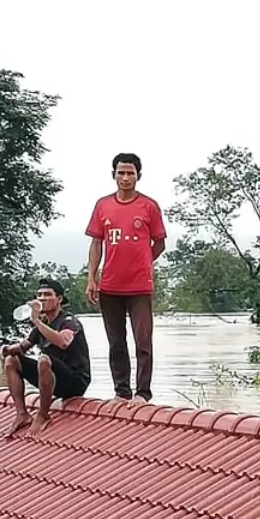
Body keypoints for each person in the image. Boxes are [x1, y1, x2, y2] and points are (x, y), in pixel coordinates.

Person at [84, 153, 166, 404]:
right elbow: (96, 243)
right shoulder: (103, 206)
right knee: (116, 342)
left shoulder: (148, 206)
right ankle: (122, 391)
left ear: (138, 176)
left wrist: (143, 263)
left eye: (130, 173)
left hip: (140, 286)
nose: (126, 177)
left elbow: (160, 243)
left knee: (143, 341)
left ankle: (142, 393)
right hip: (110, 286)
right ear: (114, 175)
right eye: (121, 172)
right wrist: (92, 278)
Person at [0, 278, 92, 436]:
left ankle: (43, 415)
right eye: (39, 295)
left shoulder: (69, 321)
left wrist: (36, 321)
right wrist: (7, 349)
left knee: (43, 359)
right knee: (12, 361)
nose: (42, 298)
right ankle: (22, 414)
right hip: (52, 377)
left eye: (47, 295)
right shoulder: (42, 325)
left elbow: (63, 342)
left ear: (59, 299)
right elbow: (23, 347)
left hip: (75, 380)